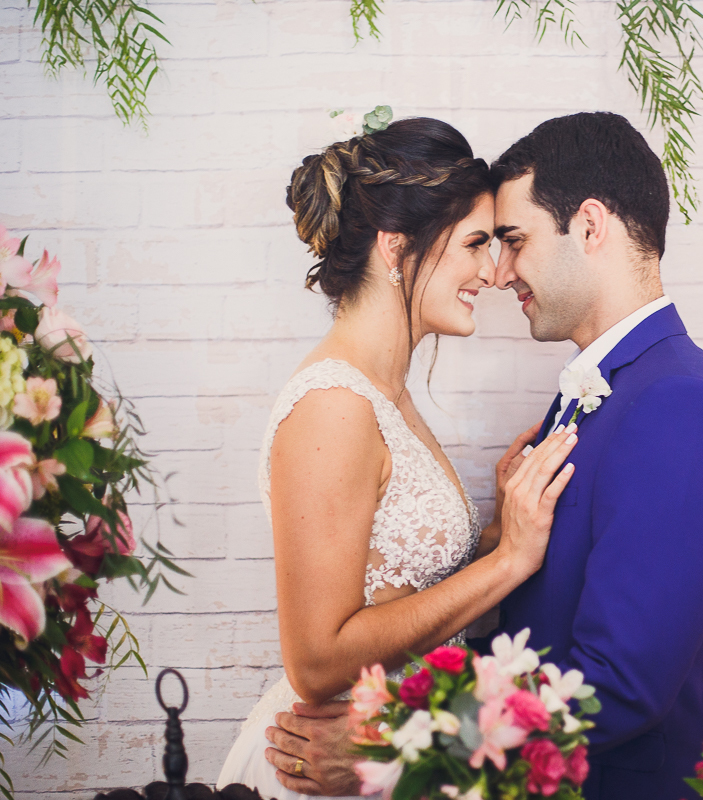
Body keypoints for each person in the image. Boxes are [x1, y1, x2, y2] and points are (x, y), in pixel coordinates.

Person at [266, 111, 703, 800]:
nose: (498, 272)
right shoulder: (607, 390)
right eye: (480, 243)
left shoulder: (677, 405)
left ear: (590, 228)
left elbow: (621, 683)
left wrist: (406, 741)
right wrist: (503, 541)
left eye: (513, 240)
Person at [216, 117, 579, 799]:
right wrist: (508, 562)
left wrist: (500, 529)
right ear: (395, 247)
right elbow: (319, 661)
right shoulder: (334, 406)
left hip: (386, 747)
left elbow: (398, 594)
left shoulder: (387, 393)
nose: (494, 271)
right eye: (475, 243)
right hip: (325, 770)